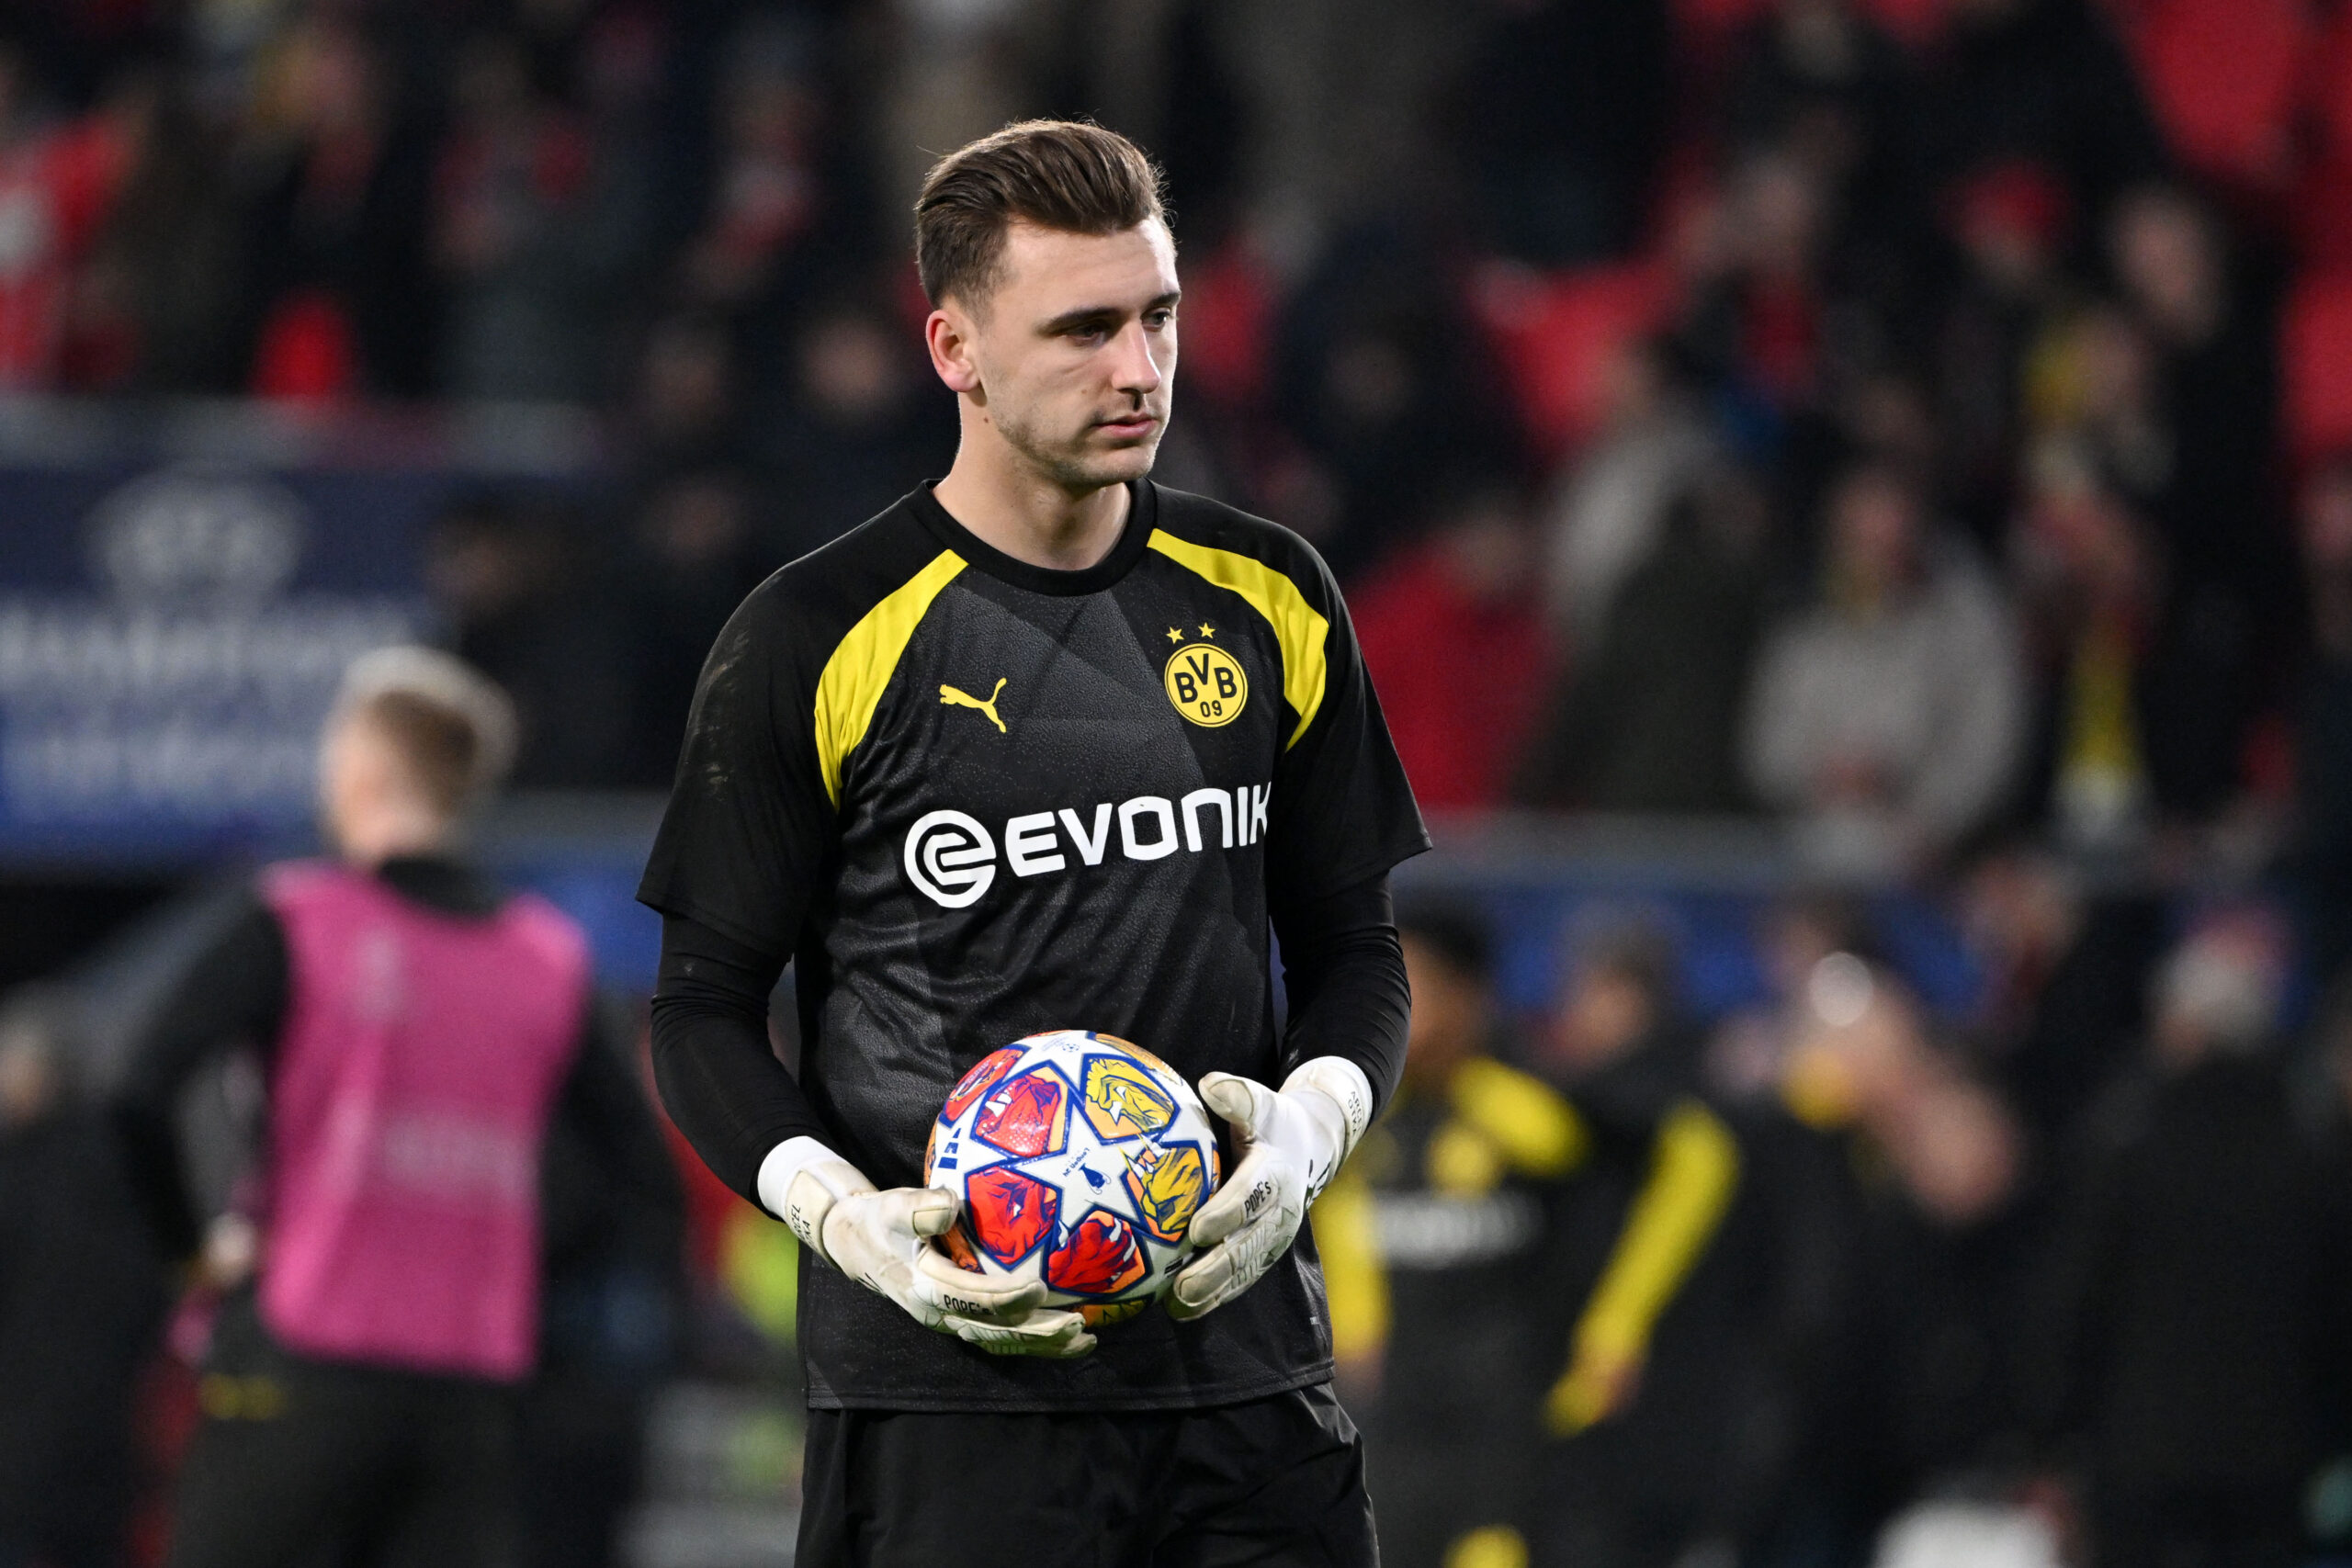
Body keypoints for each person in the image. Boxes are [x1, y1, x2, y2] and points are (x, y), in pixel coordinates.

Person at [638, 120, 1427, 1566]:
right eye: (1083, 329)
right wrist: (849, 1219)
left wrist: (1306, 1137)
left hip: (1246, 1386)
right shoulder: (812, 636)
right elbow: (698, 1011)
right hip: (952, 1399)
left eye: (1158, 316)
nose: (1139, 369)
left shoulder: (1273, 594)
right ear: (954, 349)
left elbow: (1358, 952)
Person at [110, 647, 677, 1568]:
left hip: (301, 1357)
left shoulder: (300, 920)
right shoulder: (547, 960)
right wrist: (529, 1282)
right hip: (470, 1390)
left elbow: (140, 1090)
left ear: (367, 766)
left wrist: (191, 1253)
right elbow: (639, 1175)